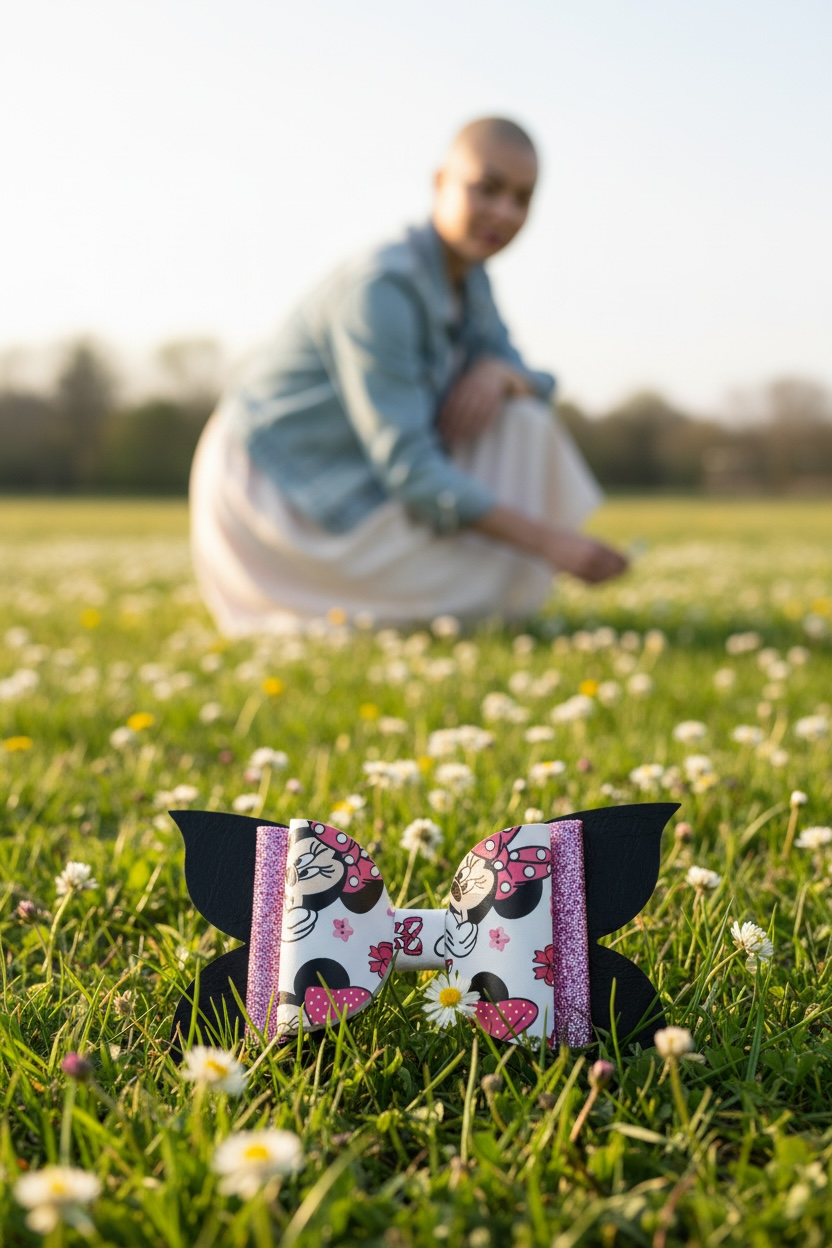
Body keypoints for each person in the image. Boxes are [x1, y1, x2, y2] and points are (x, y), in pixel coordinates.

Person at [190, 117, 627, 635]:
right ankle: (377, 596)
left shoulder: (470, 283)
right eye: (486, 189)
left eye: (522, 198)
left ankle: (460, 595)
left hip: (358, 475)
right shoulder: (382, 289)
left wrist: (501, 373)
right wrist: (550, 542)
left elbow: (542, 385)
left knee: (524, 421)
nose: (504, 212)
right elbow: (411, 469)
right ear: (440, 181)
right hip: (272, 492)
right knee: (459, 599)